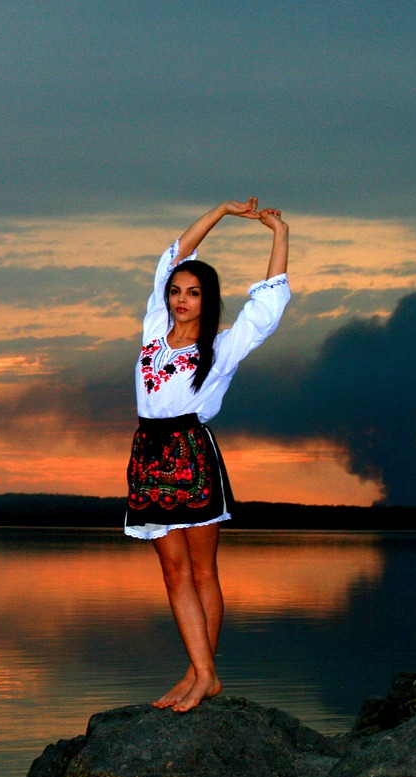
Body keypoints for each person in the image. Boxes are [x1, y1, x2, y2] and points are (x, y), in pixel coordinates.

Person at [125, 198, 290, 712]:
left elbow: (267, 308)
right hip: (149, 454)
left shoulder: (222, 347)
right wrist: (220, 211)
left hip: (192, 455)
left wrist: (277, 232)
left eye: (192, 294)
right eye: (176, 291)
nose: (180, 299)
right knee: (173, 574)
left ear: (207, 299)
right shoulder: (155, 330)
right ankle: (202, 673)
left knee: (202, 572)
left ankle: (202, 676)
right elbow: (174, 253)